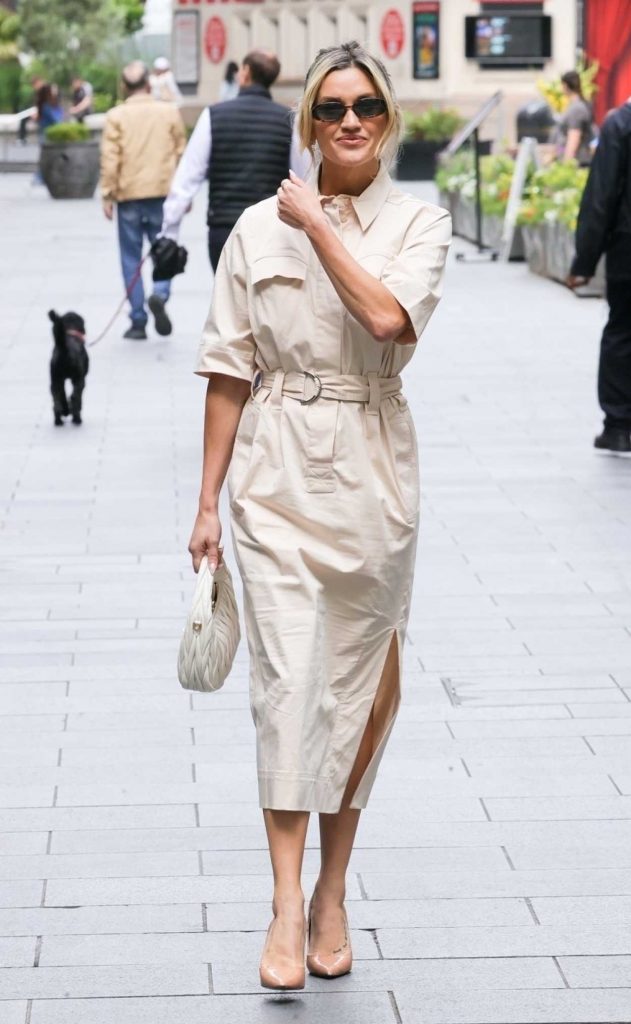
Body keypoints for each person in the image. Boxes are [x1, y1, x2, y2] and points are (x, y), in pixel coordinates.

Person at [188, 41, 450, 989]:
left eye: (367, 108)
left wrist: (319, 223)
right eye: (333, 107)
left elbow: (386, 321)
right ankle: (282, 908)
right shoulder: (256, 230)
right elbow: (227, 366)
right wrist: (207, 502)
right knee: (287, 689)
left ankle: (332, 890)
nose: (349, 122)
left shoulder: (421, 222)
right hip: (276, 468)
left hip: (374, 472)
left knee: (358, 696)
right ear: (308, 120)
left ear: (387, 121)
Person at [160, 49, 310, 272]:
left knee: (227, 302)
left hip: (224, 228)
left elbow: (188, 176)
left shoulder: (213, 115)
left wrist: (169, 231)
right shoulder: (289, 121)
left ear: (245, 73)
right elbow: (303, 177)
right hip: (272, 228)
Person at [99, 61, 186, 340]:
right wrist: (183, 193)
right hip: (163, 194)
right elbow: (181, 154)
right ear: (149, 84)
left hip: (128, 196)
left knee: (130, 258)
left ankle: (138, 321)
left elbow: (110, 159)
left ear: (124, 86)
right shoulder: (169, 112)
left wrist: (107, 194)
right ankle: (160, 294)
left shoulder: (116, 116)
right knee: (164, 248)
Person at [568, 96, 631, 453]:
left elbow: (601, 197)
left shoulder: (620, 124)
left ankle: (619, 425)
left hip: (627, 250)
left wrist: (584, 262)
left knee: (622, 331)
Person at [556, 70, 595, 165]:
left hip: (577, 162)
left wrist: (566, 164)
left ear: (565, 85)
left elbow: (574, 137)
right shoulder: (577, 105)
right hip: (577, 161)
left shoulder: (576, 108)